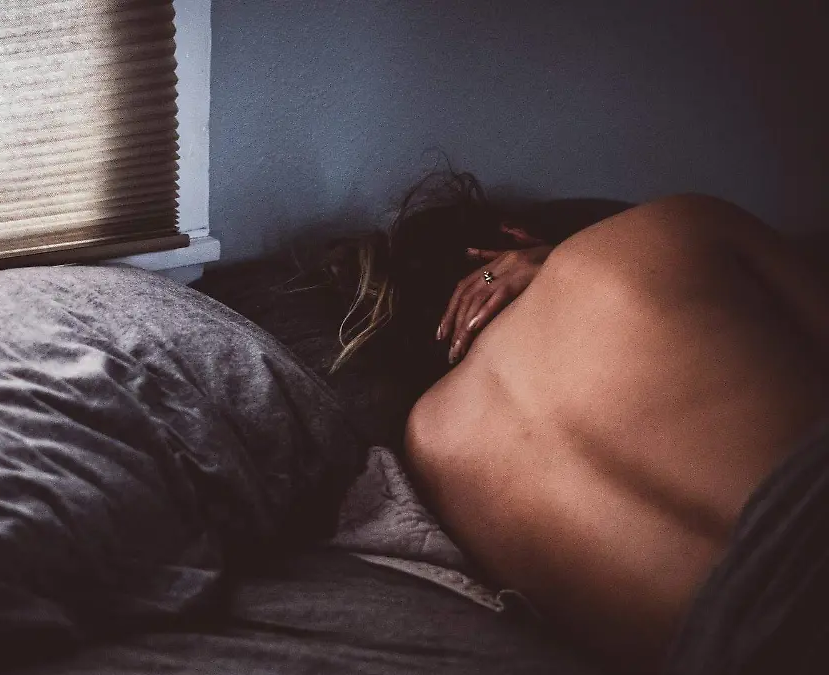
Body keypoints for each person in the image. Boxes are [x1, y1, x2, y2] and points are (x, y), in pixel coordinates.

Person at [327, 173, 829, 673]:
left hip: (741, 653)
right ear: (515, 234)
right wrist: (562, 252)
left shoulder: (428, 439)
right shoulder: (667, 225)